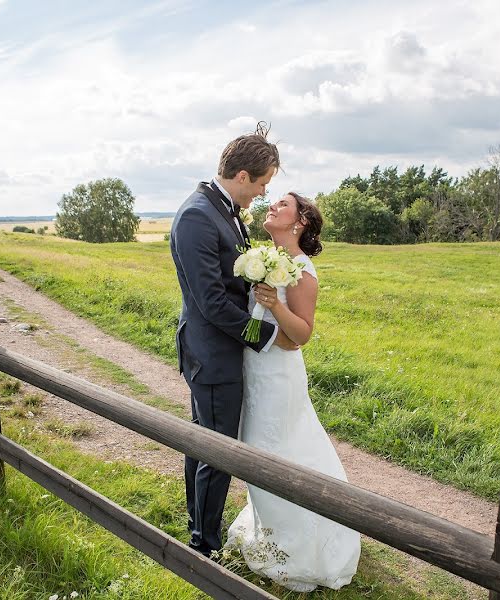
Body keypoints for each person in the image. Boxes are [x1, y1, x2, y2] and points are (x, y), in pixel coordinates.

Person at [170, 126, 300, 558]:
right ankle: (203, 547)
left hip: (219, 353)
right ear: (242, 175)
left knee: (202, 441)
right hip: (212, 355)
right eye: (262, 184)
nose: (263, 194)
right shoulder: (196, 217)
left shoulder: (220, 209)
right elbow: (212, 305)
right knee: (217, 450)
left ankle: (197, 529)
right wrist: (268, 335)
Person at [225, 192, 360, 592]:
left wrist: (275, 304)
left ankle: (298, 547)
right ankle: (271, 534)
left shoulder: (302, 268)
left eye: (282, 204)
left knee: (274, 449)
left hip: (279, 376)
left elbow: (301, 334)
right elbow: (256, 322)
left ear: (299, 221)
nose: (272, 207)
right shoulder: (266, 258)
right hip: (255, 367)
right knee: (257, 450)